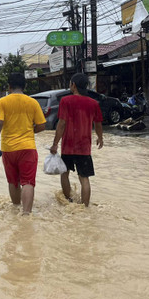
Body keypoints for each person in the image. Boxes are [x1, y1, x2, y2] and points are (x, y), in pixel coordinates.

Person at [0, 72, 46, 215]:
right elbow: (42, 125)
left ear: (9, 86)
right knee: (28, 182)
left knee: (13, 182)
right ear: (24, 86)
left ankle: (15, 210)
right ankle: (26, 215)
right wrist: (31, 130)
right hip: (28, 148)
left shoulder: (3, 101)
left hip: (8, 149)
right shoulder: (32, 102)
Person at [50, 73, 104, 207]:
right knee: (84, 178)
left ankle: (68, 202)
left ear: (73, 85)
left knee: (64, 173)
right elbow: (98, 124)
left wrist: (55, 143)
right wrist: (100, 138)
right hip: (84, 147)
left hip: (67, 146)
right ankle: (85, 207)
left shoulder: (65, 101)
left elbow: (61, 124)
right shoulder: (93, 103)